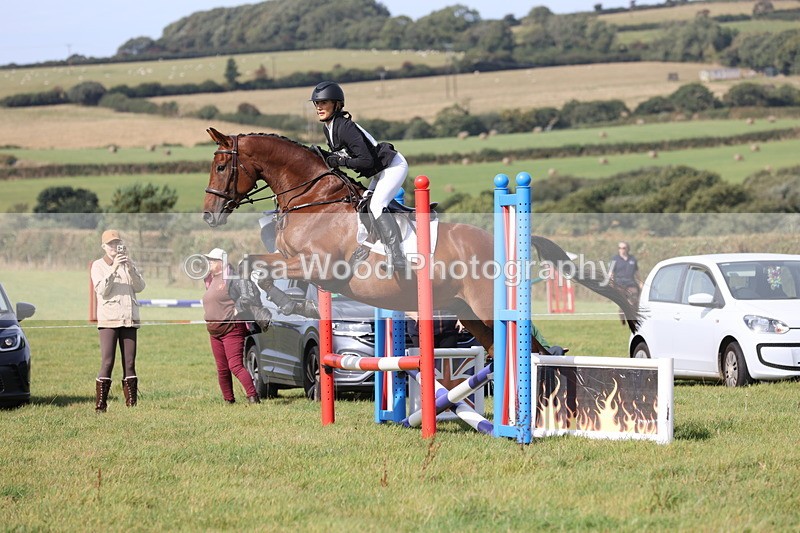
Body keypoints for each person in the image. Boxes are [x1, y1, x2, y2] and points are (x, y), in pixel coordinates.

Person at [310, 80, 410, 273]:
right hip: (379, 171)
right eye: (317, 104)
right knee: (362, 206)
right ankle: (364, 248)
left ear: (337, 104)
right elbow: (343, 156)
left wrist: (339, 161)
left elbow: (365, 161)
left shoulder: (345, 127)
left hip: (393, 167)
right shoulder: (329, 128)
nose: (319, 107)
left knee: (376, 205)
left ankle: (397, 256)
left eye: (324, 102)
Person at [90, 229, 146, 412]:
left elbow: (140, 287)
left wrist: (130, 268)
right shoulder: (98, 265)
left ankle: (132, 405)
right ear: (104, 246)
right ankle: (101, 405)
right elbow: (102, 290)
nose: (114, 247)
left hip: (129, 319)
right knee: (107, 361)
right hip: (109, 320)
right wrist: (114, 268)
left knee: (130, 362)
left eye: (117, 243)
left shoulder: (127, 263)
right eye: (111, 244)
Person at [202, 248, 260, 404]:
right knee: (222, 369)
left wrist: (238, 309)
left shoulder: (233, 278)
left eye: (212, 260)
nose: (209, 263)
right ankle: (229, 400)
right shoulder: (210, 279)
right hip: (215, 331)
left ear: (222, 262)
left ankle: (253, 397)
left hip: (232, 329)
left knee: (235, 366)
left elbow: (249, 294)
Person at [610, 241, 642, 324]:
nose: (621, 250)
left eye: (623, 248)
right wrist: (611, 283)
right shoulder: (615, 259)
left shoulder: (632, 259)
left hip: (631, 283)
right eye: (620, 248)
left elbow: (637, 272)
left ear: (627, 249)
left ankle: (633, 318)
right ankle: (623, 320)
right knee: (623, 302)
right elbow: (611, 273)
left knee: (634, 301)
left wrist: (640, 282)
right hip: (620, 284)